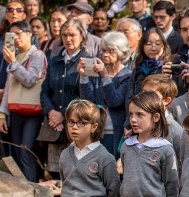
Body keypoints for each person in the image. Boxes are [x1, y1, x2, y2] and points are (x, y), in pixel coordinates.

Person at [40, 18, 91, 173]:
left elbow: (85, 95)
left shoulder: (87, 60)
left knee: (75, 171)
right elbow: (44, 91)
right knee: (55, 170)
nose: (68, 39)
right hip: (54, 125)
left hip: (76, 124)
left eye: (72, 35)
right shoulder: (55, 60)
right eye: (64, 35)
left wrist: (63, 114)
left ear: (82, 36)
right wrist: (51, 113)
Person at [0, 20, 47, 182]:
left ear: (29, 34)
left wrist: (13, 62)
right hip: (15, 111)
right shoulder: (14, 56)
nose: (16, 38)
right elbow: (8, 87)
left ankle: (33, 190)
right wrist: (2, 114)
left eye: (19, 34)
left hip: (32, 113)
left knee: (26, 152)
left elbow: (30, 80)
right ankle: (24, 189)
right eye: (12, 35)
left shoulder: (37, 55)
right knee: (18, 153)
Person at [78, 31, 133, 157]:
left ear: (121, 52)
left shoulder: (127, 75)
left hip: (116, 132)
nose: (105, 54)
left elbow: (115, 101)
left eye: (111, 51)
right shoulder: (97, 73)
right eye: (103, 50)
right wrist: (84, 76)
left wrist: (104, 76)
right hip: (96, 131)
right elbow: (87, 102)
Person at [125, 28, 170, 119]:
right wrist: (129, 122)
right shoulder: (138, 69)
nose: (153, 47)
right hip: (136, 118)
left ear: (164, 46)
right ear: (142, 46)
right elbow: (129, 98)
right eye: (148, 44)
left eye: (158, 44)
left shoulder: (168, 67)